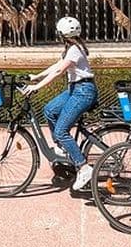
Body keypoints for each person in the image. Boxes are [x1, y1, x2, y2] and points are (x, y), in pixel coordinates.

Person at [25, 16, 97, 191]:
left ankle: (83, 167)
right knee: (49, 110)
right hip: (75, 89)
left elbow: (59, 71)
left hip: (83, 91)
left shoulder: (74, 50)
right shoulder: (72, 48)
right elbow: (56, 65)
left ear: (62, 34)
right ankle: (62, 148)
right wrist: (36, 76)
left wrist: (37, 87)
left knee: (61, 130)